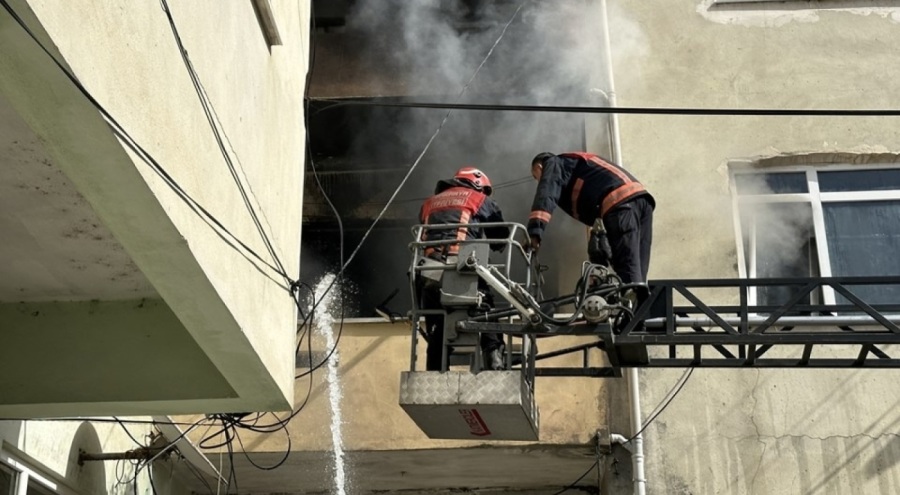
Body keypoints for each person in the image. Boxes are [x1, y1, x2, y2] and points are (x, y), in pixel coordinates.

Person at [417, 166, 509, 371]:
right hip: (463, 269)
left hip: (428, 273)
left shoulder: (429, 203)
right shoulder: (478, 199)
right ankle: (494, 363)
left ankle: (434, 372)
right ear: (478, 184)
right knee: (486, 311)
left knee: (438, 326)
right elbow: (500, 236)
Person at [527, 152, 654, 285]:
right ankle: (640, 303)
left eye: (536, 177)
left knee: (627, 267)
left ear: (540, 167)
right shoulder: (574, 166)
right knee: (638, 274)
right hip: (642, 200)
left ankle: (632, 299)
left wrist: (534, 233)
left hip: (619, 201)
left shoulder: (553, 163)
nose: (539, 181)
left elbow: (546, 194)